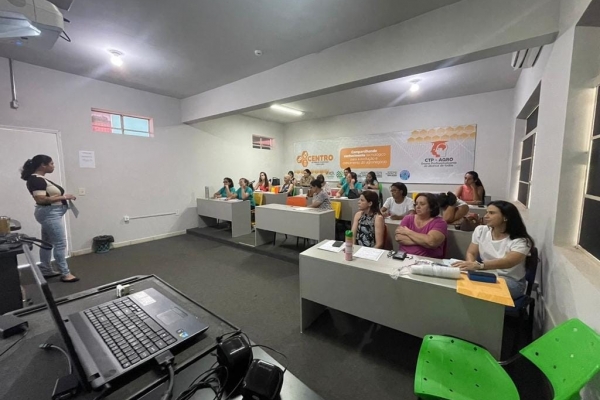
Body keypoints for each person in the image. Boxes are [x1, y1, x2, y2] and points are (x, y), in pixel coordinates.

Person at [452, 201, 534, 299]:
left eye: (491, 213)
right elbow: (471, 252)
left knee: (477, 289)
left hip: (510, 281)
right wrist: (470, 266)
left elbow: (508, 262)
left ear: (505, 217)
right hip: (485, 274)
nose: (486, 216)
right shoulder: (481, 230)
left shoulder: (521, 241)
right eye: (486, 212)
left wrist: (479, 266)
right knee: (459, 283)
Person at [20, 155, 79, 282]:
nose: (53, 166)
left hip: (51, 213)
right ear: (43, 165)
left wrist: (63, 197)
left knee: (47, 243)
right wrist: (64, 197)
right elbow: (40, 199)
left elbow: (46, 197)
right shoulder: (36, 180)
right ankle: (65, 274)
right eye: (51, 164)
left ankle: (46, 269)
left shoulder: (40, 179)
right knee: (60, 243)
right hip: (50, 214)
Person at [395, 193, 447, 258]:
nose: (418, 207)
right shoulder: (408, 218)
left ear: (431, 207)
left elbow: (431, 242)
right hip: (404, 257)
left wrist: (408, 232)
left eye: (422, 204)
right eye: (416, 204)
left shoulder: (440, 222)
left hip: (428, 260)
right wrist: (423, 242)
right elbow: (398, 237)